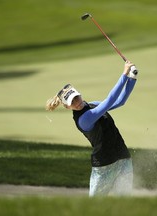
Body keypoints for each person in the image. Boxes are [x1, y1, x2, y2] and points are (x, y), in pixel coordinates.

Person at [45, 61, 138, 196]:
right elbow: (109, 101)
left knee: (123, 202)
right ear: (67, 107)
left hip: (123, 157)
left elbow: (120, 101)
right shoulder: (84, 119)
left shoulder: (93, 105)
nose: (76, 102)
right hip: (104, 166)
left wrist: (132, 78)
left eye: (76, 97)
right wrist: (124, 74)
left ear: (79, 94)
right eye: (72, 102)